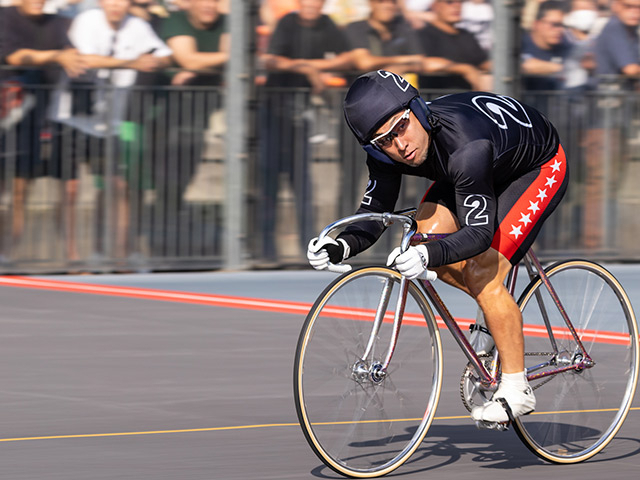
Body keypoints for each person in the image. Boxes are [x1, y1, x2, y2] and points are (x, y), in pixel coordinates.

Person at [307, 70, 569, 424]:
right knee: (421, 240)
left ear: (417, 109)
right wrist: (339, 246)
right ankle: (494, 313)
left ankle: (517, 387)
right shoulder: (388, 152)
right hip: (471, 168)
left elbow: (478, 234)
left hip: (535, 165)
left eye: (401, 127)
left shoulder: (465, 145)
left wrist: (430, 255)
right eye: (384, 140)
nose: (400, 145)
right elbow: (374, 213)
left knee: (480, 272)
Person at [0, 0, 88, 262]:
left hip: (32, 119)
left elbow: (78, 56)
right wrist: (56, 56)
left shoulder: (57, 24)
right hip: (5, 116)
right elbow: (13, 56)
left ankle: (7, 254)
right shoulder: (5, 17)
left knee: (19, 191)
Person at [415, 0, 491, 91]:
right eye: (449, 2)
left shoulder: (466, 35)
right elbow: (423, 63)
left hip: (467, 98)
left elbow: (482, 62)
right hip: (438, 98)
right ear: (435, 6)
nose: (457, 6)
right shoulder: (424, 34)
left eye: (460, 2)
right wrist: (464, 69)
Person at [344, 0, 424, 77]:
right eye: (381, 1)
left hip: (399, 87)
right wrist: (404, 60)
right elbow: (364, 63)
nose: (388, 6)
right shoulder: (356, 28)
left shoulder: (404, 28)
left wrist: (402, 68)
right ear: (371, 3)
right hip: (364, 86)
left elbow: (420, 61)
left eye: (393, 2)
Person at [521, 1, 573, 91]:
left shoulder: (566, 47)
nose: (560, 30)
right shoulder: (520, 44)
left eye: (563, 26)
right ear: (536, 24)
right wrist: (562, 68)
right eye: (555, 24)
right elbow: (521, 65)